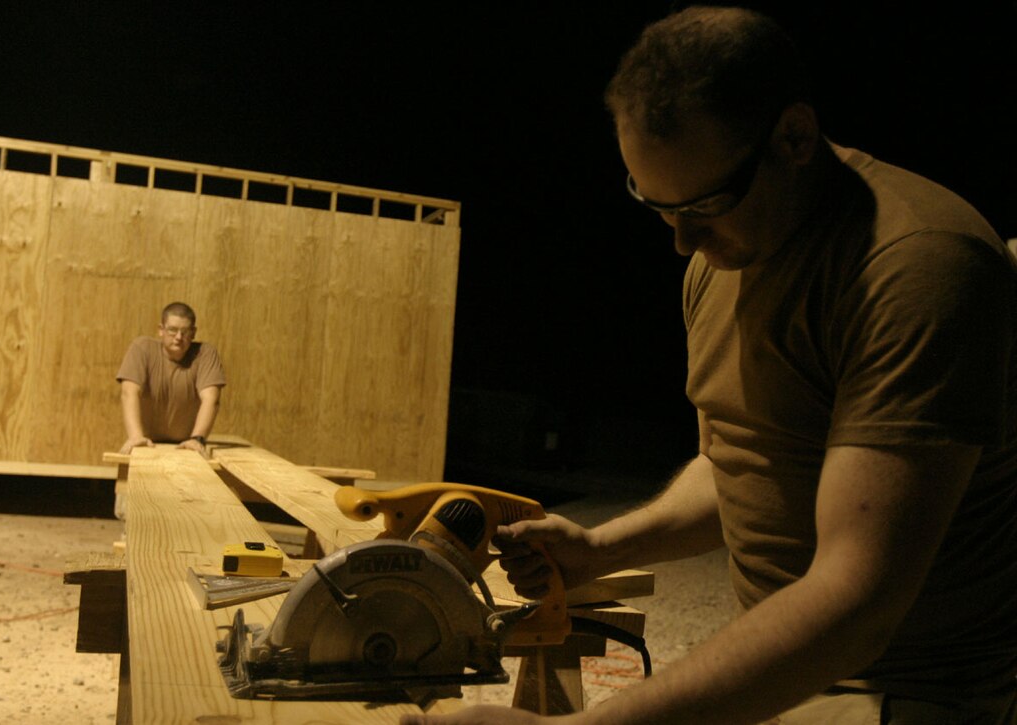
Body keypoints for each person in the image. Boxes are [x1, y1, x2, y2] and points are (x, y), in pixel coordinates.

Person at [404, 6, 1016, 725]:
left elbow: (858, 603)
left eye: (702, 204)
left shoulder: (916, 265)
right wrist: (601, 547)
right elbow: (744, 461)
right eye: (654, 203)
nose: (682, 240)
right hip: (796, 675)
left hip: (908, 692)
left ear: (794, 137)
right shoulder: (722, 253)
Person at [116, 302, 226, 457]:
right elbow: (129, 393)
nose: (179, 338)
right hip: (147, 443)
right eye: (172, 330)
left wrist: (197, 439)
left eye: (185, 331)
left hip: (186, 445)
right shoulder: (142, 349)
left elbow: (211, 399)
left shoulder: (205, 354)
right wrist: (135, 436)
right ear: (161, 330)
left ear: (193, 332)